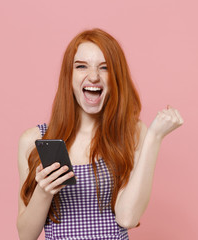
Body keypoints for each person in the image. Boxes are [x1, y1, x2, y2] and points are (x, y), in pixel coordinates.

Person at [16, 28, 184, 240]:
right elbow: (25, 235)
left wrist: (154, 137)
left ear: (116, 77)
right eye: (81, 66)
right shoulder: (34, 140)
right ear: (68, 75)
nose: (93, 76)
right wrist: (44, 191)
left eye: (104, 68)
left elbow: (127, 218)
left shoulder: (131, 134)